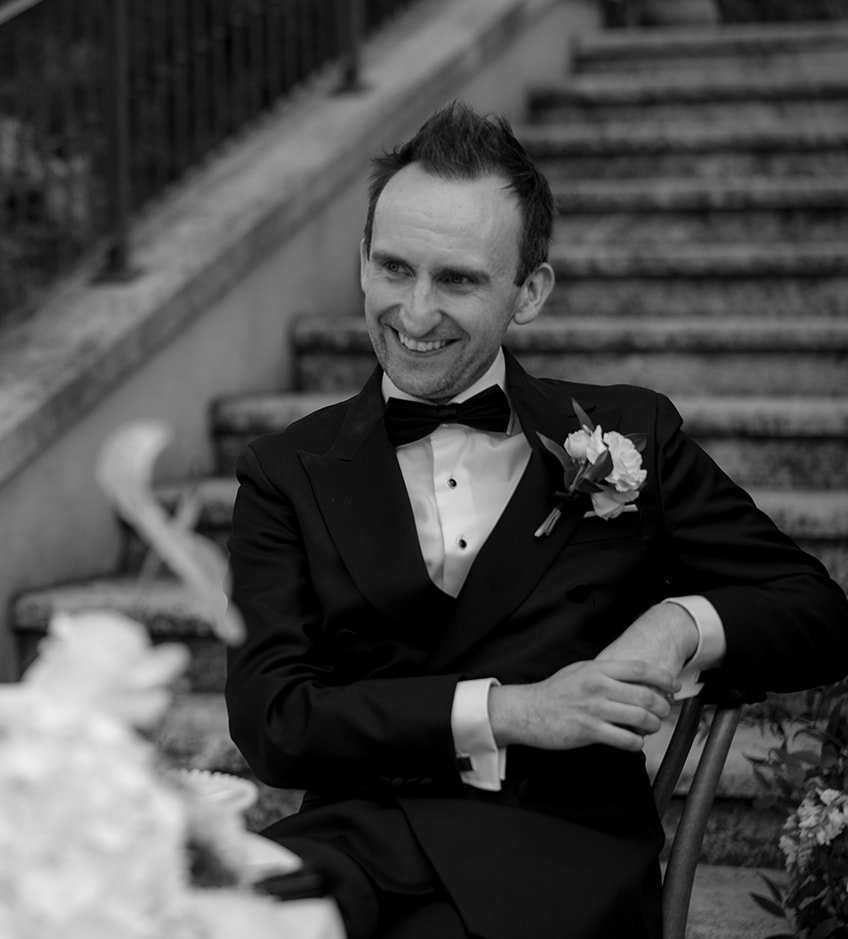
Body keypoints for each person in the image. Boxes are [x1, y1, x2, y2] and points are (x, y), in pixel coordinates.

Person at [224, 101, 848, 939]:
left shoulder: (630, 434)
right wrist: (512, 710)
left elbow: (814, 608)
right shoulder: (283, 471)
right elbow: (274, 722)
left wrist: (676, 624)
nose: (413, 313)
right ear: (361, 263)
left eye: (458, 279)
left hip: (556, 853)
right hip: (354, 841)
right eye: (395, 269)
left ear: (530, 293)